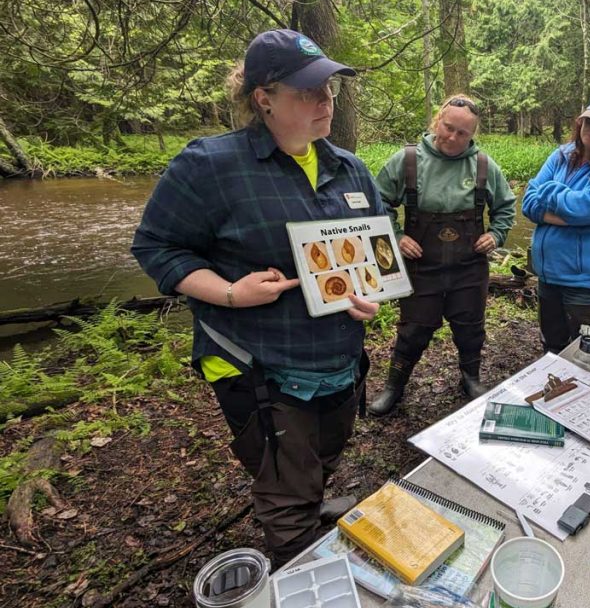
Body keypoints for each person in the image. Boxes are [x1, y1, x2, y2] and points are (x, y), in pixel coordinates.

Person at [132, 29, 384, 569]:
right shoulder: (212, 166)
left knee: (323, 452)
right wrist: (228, 292)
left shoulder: (351, 169)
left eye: (330, 92)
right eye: (307, 93)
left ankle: (312, 500)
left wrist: (366, 293)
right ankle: (298, 563)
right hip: (260, 364)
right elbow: (155, 245)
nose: (325, 104)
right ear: (262, 99)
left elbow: (371, 255)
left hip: (338, 358)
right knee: (282, 480)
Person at [369, 95, 516, 415]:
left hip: (469, 267)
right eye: (449, 128)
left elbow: (505, 208)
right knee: (413, 329)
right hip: (422, 265)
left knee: (471, 326)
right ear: (437, 121)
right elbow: (377, 204)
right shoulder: (407, 160)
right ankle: (394, 386)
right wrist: (396, 237)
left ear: (472, 135)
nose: (453, 137)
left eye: (463, 134)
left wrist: (496, 234)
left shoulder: (483, 165)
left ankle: (471, 378)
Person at [521, 92, 590, 353]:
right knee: (552, 345)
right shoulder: (561, 155)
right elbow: (528, 204)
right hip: (549, 275)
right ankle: (554, 390)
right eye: (588, 121)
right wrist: (569, 218)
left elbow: (584, 208)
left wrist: (549, 191)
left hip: (584, 282)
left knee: (585, 352)